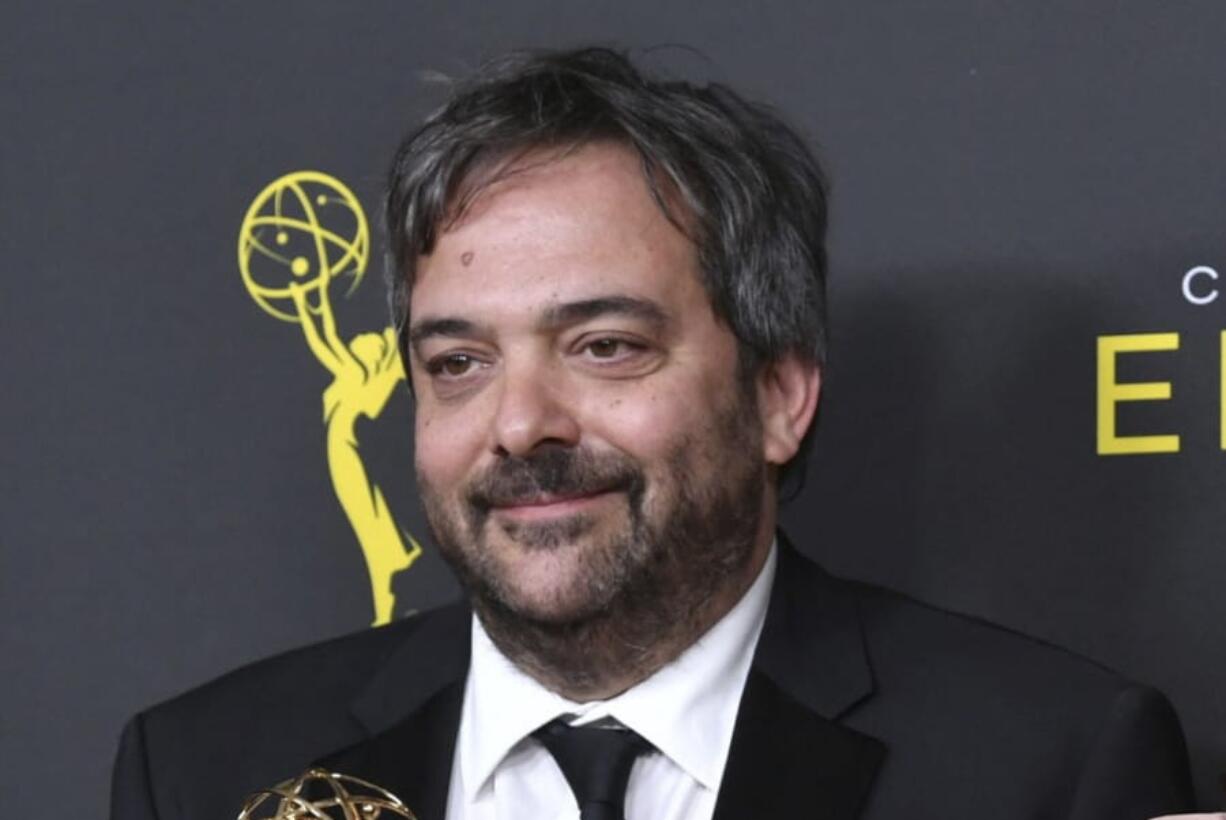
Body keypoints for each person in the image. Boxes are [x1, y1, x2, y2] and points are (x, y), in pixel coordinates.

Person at [110, 47, 1195, 820]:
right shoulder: (207, 772)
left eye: (604, 346)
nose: (520, 423)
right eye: (458, 364)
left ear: (777, 392)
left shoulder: (1045, 769)